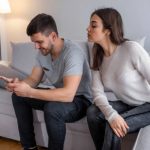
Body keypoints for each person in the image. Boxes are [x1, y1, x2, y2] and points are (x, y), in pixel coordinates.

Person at [6, 13, 92, 150]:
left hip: (80, 100)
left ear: (53, 36)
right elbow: (34, 79)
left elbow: (68, 94)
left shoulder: (73, 53)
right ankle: (29, 147)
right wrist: (20, 86)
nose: (36, 47)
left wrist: (30, 92)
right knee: (18, 96)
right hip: (59, 96)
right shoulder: (43, 53)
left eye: (39, 42)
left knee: (52, 109)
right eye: (34, 42)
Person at [86, 8, 150, 150]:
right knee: (92, 113)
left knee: (114, 126)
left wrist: (113, 119)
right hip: (128, 103)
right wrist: (112, 114)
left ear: (108, 30)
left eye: (94, 25)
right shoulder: (97, 53)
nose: (88, 28)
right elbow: (97, 93)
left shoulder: (131, 48)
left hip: (147, 104)